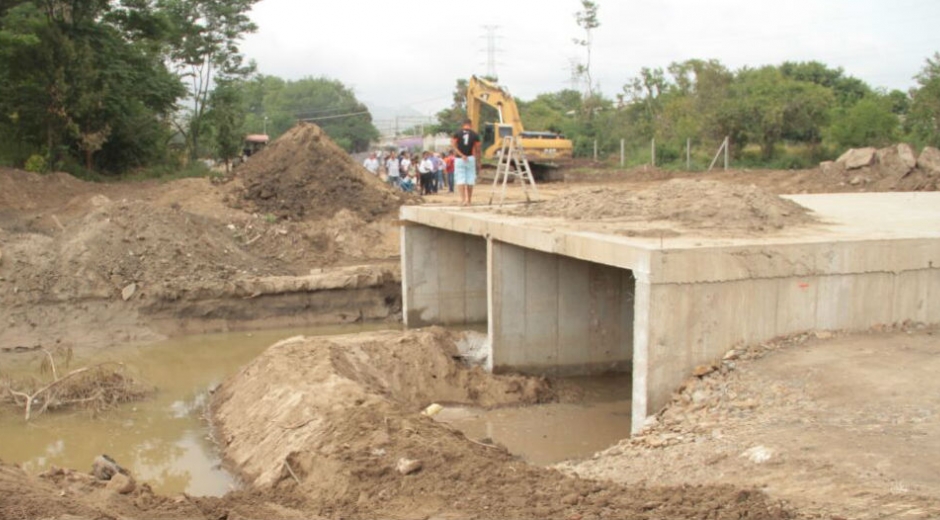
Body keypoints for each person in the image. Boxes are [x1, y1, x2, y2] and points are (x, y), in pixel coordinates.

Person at [452, 119, 481, 206]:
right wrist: (479, 161)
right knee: (470, 179)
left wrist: (461, 155)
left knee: (460, 179)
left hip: (459, 159)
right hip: (470, 158)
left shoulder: (457, 133)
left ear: (463, 124)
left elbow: (453, 146)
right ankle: (469, 201)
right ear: (470, 125)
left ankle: (463, 200)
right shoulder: (475, 134)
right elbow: (478, 149)